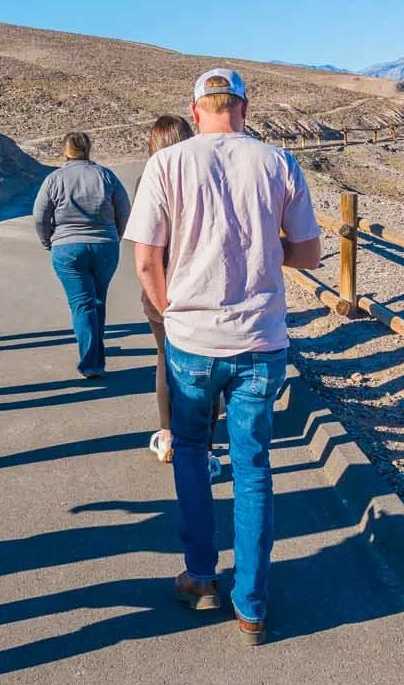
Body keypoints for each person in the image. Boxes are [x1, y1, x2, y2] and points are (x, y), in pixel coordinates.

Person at [126, 68, 321, 645]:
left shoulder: (168, 163)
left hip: (193, 339)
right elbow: (309, 254)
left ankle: (201, 575)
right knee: (253, 466)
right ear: (244, 107)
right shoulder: (278, 162)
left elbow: (146, 259)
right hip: (260, 340)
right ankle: (252, 604)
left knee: (190, 451)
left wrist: (171, 310)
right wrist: (262, 249)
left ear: (195, 110)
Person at [32, 130, 130, 377]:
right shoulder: (106, 175)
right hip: (105, 245)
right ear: (88, 149)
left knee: (82, 303)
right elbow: (124, 209)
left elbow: (40, 216)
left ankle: (91, 361)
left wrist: (47, 241)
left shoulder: (54, 179)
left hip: (67, 247)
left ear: (65, 151)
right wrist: (115, 236)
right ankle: (95, 349)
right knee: (98, 299)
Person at [139, 114, 195, 459]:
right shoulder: (202, 178)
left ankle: (168, 433)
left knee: (165, 356)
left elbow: (145, 250)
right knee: (202, 359)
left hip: (160, 283)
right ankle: (200, 439)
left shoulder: (148, 180)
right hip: (198, 282)